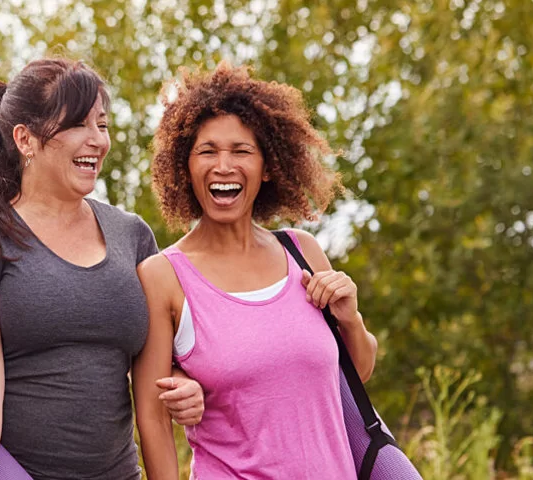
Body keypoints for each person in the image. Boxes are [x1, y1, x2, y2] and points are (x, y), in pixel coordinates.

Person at [0, 57, 204, 480]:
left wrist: (189, 386)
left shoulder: (132, 235)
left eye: (101, 124)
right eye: (78, 125)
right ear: (25, 139)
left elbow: (159, 366)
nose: (97, 141)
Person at [133, 62, 378, 479]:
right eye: (207, 151)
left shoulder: (303, 252)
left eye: (241, 151)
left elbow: (358, 374)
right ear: (185, 167)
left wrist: (350, 319)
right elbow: (153, 418)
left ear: (267, 169)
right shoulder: (163, 276)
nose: (223, 165)